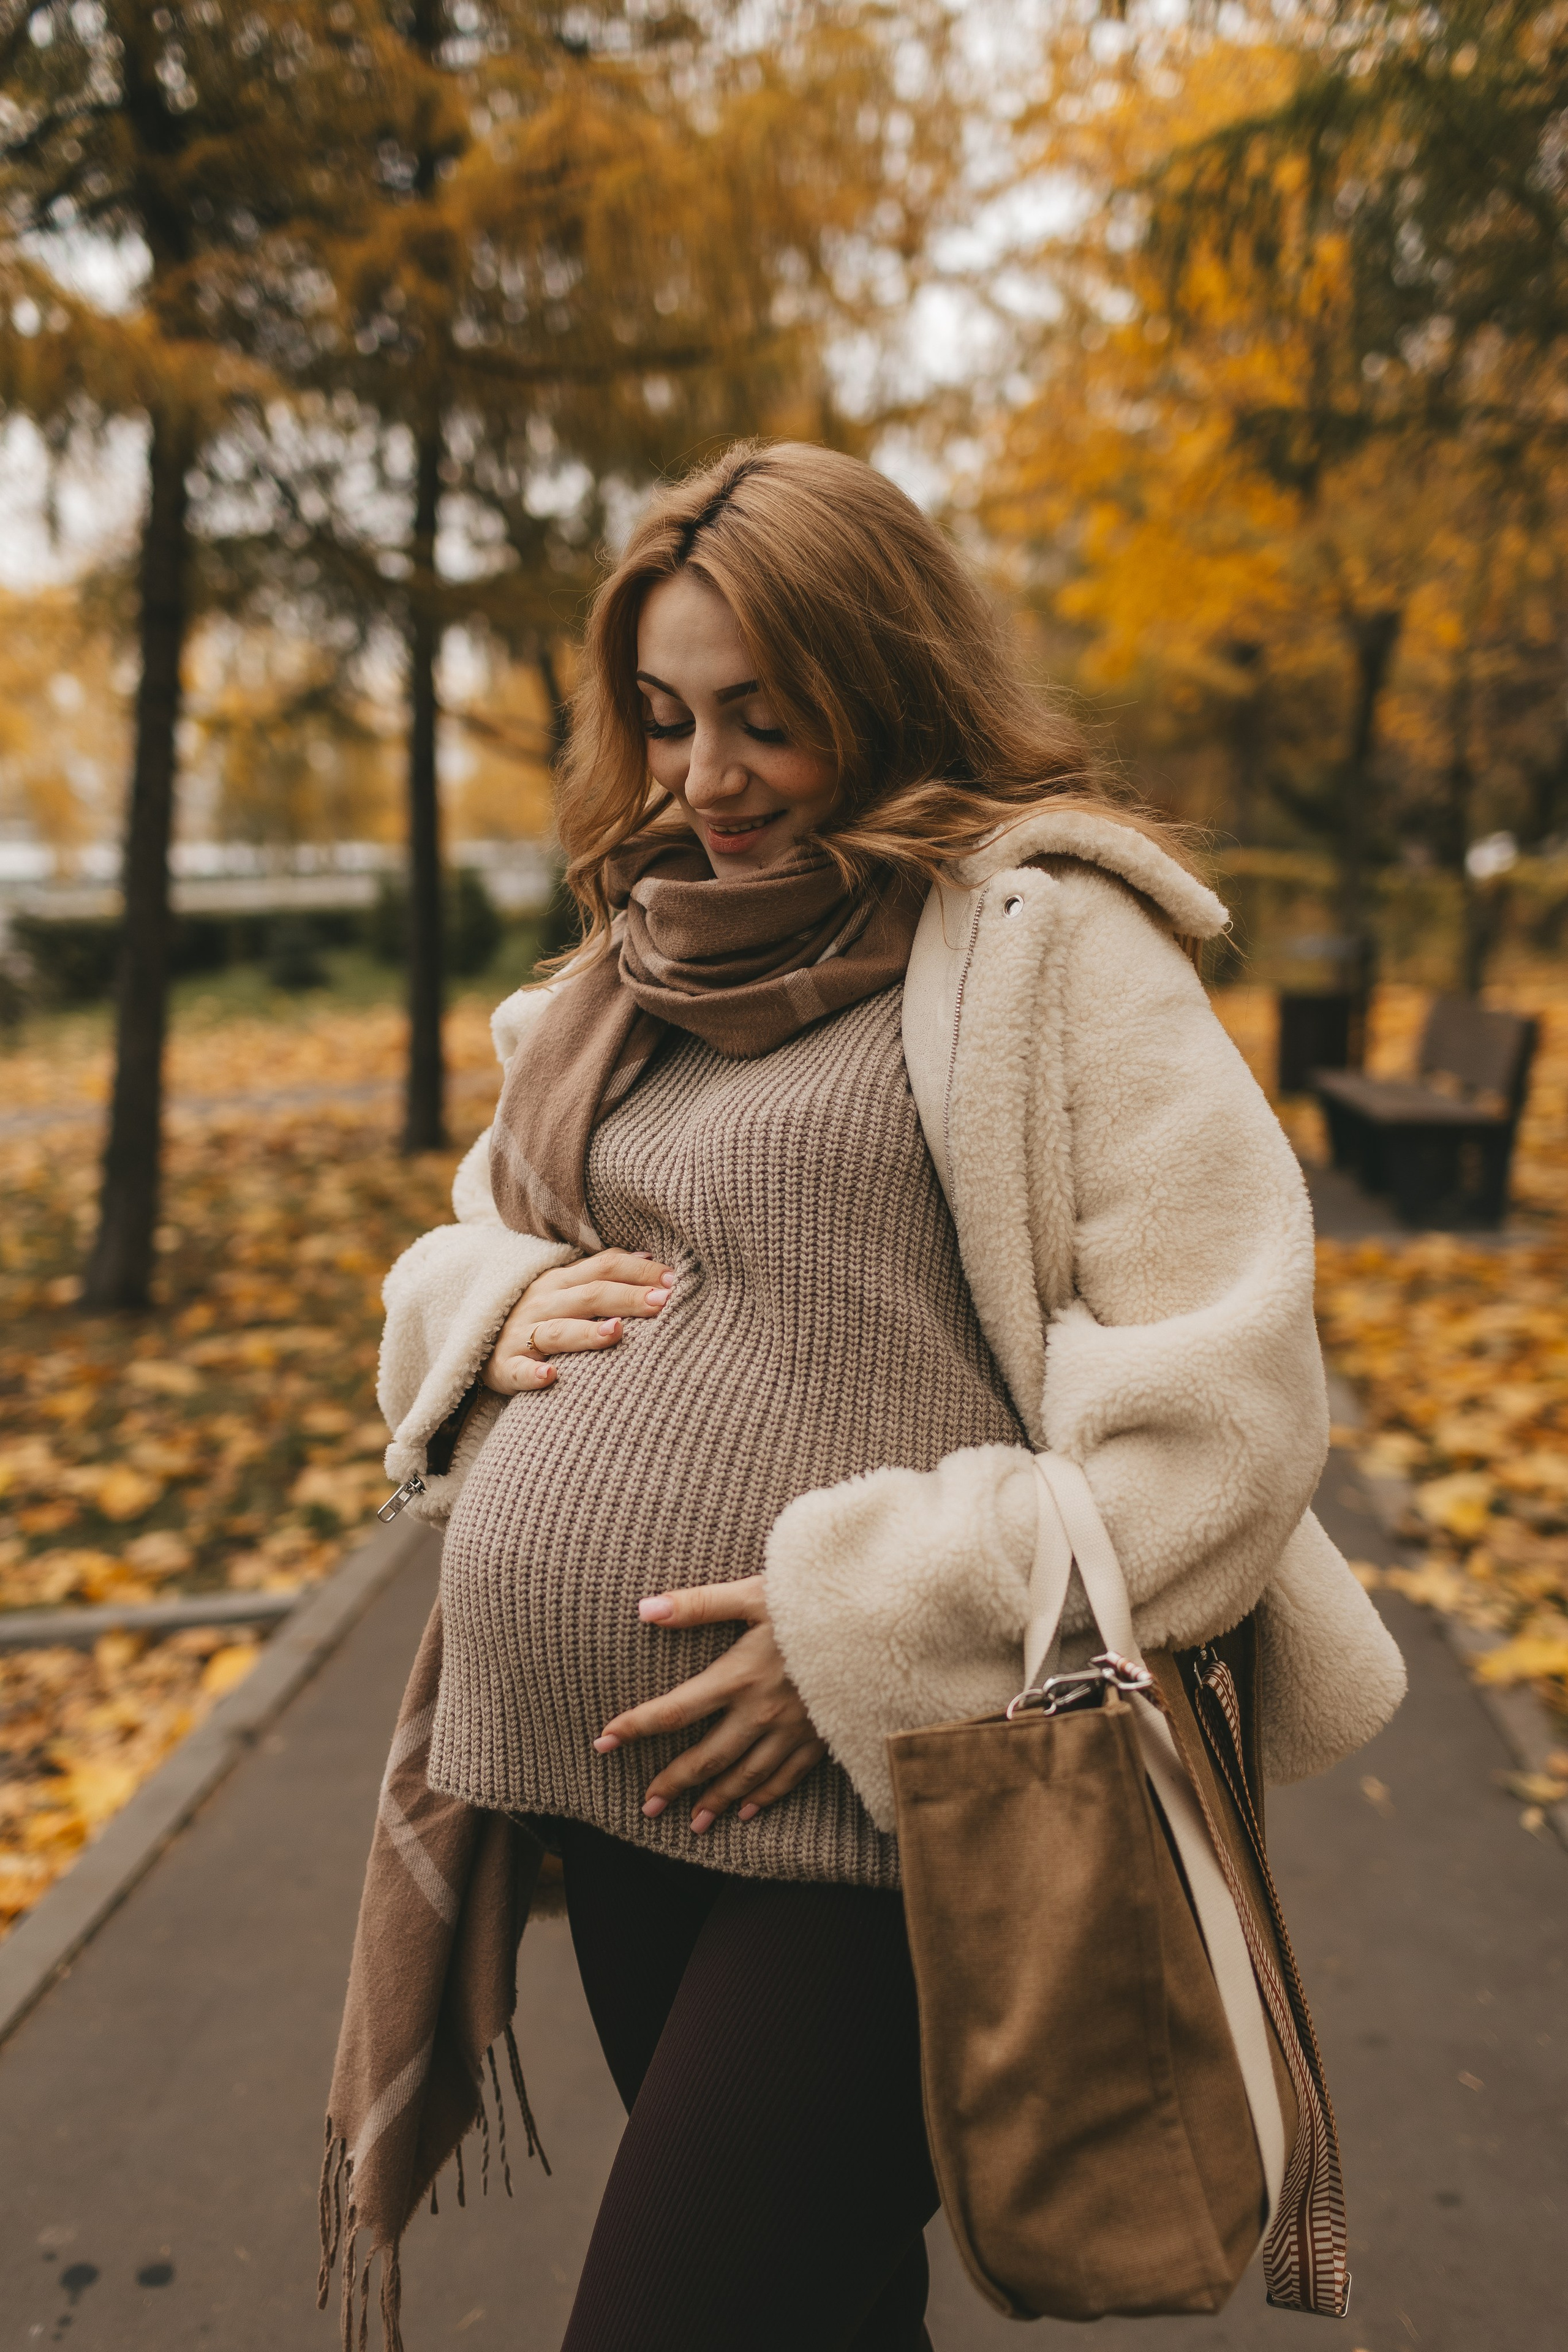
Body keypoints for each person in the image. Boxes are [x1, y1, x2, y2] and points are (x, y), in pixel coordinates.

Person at [350, 440, 1405, 2352]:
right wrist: (488, 1299)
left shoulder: (1052, 944)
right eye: (667, 718)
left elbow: (1224, 1412)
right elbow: (476, 1228)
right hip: (622, 1788)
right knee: (820, 2308)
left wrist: (865, 1624)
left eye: (768, 715)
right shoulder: (635, 957)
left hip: (895, 1794)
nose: (705, 778)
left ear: (890, 676)